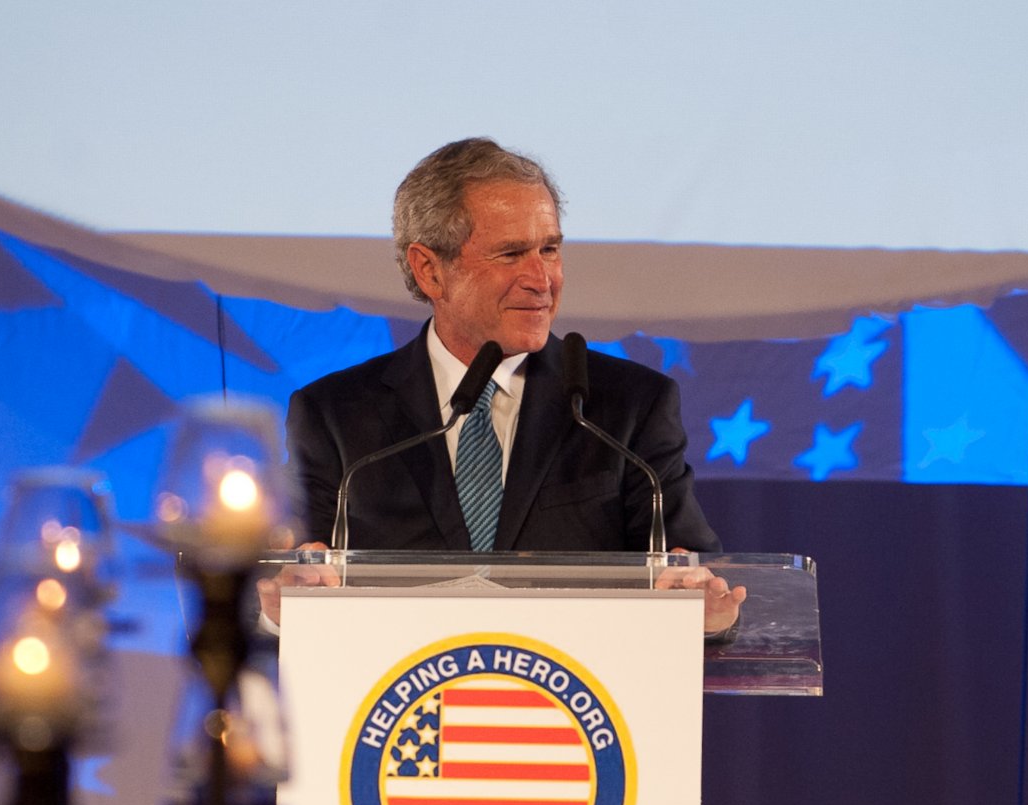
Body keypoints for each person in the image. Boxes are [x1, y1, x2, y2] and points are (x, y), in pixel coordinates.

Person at [282, 138, 743, 630]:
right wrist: (282, 603)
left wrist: (703, 608)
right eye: (511, 254)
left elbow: (692, 570)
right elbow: (288, 585)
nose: (541, 278)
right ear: (429, 269)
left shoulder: (626, 408)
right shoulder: (335, 415)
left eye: (550, 249)